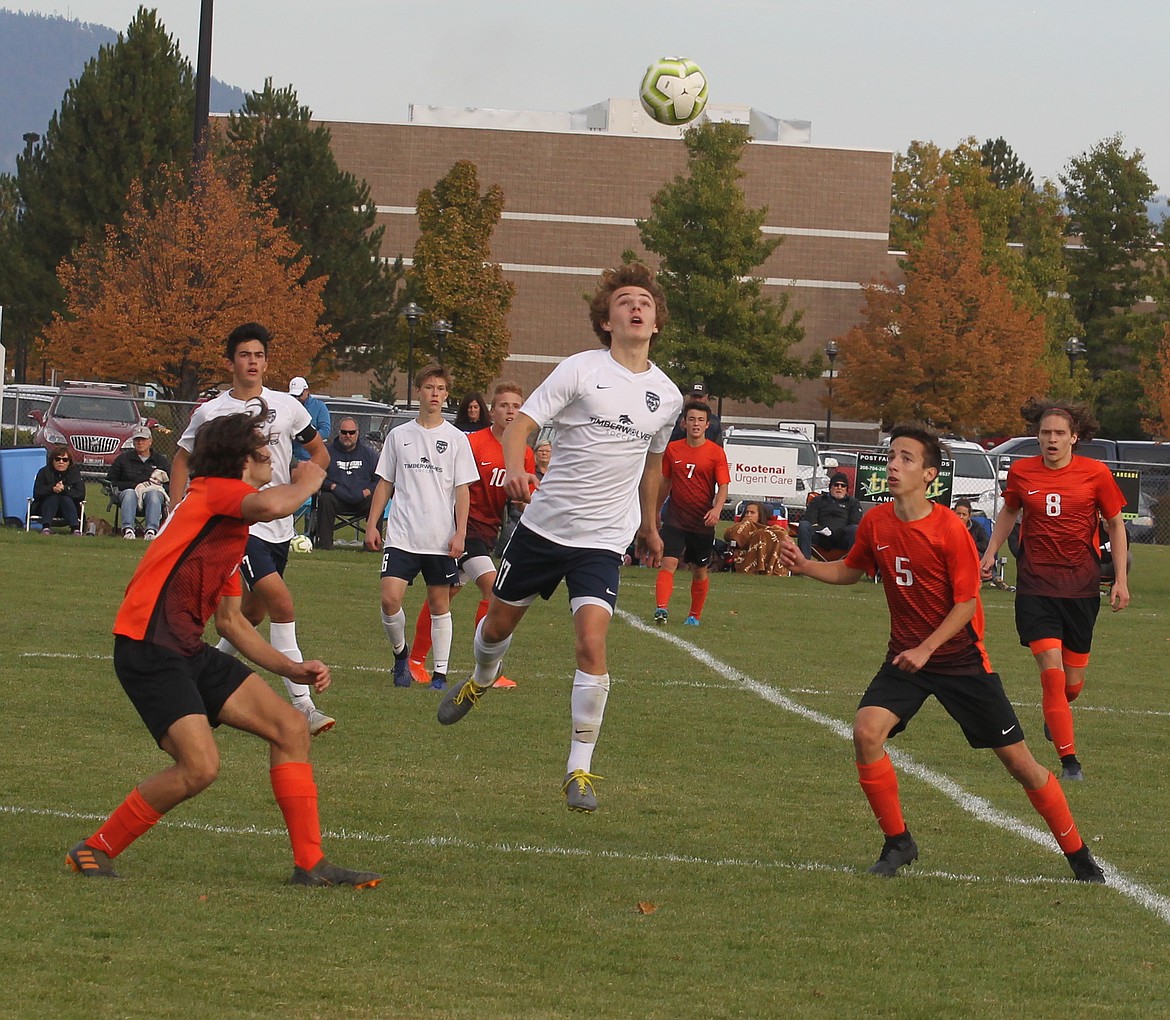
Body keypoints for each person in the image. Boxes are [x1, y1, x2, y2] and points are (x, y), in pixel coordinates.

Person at [65, 407, 380, 888]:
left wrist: (290, 668)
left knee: (291, 729)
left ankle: (311, 864)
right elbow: (276, 506)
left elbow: (231, 622)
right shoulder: (215, 493)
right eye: (262, 448)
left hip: (185, 648)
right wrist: (312, 477)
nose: (271, 455)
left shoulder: (227, 528)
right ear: (241, 458)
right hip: (148, 647)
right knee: (200, 767)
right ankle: (94, 848)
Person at [780, 424, 1104, 883]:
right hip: (907, 659)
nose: (894, 465)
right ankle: (899, 843)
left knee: (1022, 766)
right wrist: (807, 565)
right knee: (866, 732)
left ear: (930, 474)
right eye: (891, 456)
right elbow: (851, 571)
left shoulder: (949, 528)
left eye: (907, 458)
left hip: (960, 662)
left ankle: (1078, 854)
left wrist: (927, 647)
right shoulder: (876, 522)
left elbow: (966, 603)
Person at [436, 262, 684, 813]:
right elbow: (522, 425)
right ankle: (480, 678)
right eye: (624, 300)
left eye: (644, 300)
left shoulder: (666, 396)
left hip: (603, 539)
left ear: (656, 321)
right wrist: (516, 468)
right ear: (606, 318)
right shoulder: (579, 369)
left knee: (591, 643)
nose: (636, 307)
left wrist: (649, 524)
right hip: (544, 529)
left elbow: (653, 463)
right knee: (497, 623)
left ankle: (580, 771)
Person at [171, 323, 335, 737]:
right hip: (240, 523)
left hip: (279, 523)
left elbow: (319, 451)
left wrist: (308, 475)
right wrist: (175, 514)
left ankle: (205, 685)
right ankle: (304, 707)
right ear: (231, 362)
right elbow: (180, 459)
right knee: (281, 604)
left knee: (249, 613)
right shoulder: (212, 412)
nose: (253, 362)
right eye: (245, 355)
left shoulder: (287, 406)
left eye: (259, 355)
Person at [979, 400, 1129, 783]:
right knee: (1051, 675)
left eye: (1059, 433)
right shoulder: (1021, 471)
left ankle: (1057, 714)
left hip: (1080, 587)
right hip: (1035, 586)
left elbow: (1114, 523)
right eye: (1045, 432)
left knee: (1071, 687)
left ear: (1074, 438)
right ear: (1037, 436)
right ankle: (1070, 762)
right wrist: (991, 550)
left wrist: (1121, 582)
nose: (1051, 439)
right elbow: (1010, 512)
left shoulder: (1095, 474)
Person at [407, 382, 536, 689]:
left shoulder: (525, 453)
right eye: (504, 405)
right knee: (493, 590)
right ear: (492, 411)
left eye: (516, 406)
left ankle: (414, 660)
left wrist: (525, 496)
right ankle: (488, 669)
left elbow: (524, 493)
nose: (510, 411)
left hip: (488, 531)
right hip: (462, 528)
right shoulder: (473, 443)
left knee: (444, 595)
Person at [365, 364, 478, 692]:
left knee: (439, 603)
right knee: (389, 599)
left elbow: (462, 489)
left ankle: (440, 675)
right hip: (402, 534)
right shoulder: (399, 436)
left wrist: (460, 532)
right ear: (419, 391)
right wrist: (372, 524)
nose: (434, 394)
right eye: (429, 387)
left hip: (439, 537)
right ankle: (401, 656)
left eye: (440, 388)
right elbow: (385, 483)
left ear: (446, 394)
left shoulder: (456, 439)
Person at [654, 399, 730, 626]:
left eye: (700, 420)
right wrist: (656, 511)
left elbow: (723, 486)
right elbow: (665, 481)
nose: (695, 424)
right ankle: (661, 609)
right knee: (668, 562)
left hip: (702, 522)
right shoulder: (672, 449)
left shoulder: (716, 453)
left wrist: (716, 509)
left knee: (699, 570)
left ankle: (694, 616)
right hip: (675, 518)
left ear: (707, 425)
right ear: (683, 423)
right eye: (691, 419)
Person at [315, 417, 377, 550]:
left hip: (362, 498)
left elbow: (379, 480)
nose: (348, 436)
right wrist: (331, 486)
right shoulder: (327, 453)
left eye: (351, 432)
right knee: (325, 498)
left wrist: (368, 491)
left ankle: (372, 545)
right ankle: (324, 545)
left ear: (357, 433)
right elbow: (316, 475)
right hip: (336, 498)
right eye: (344, 432)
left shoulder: (369, 455)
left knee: (375, 500)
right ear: (339, 433)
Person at [107, 425, 171, 540]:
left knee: (153, 495)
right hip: (128, 495)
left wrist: (156, 487)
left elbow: (170, 483)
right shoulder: (123, 459)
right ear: (133, 442)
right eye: (137, 440)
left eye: (143, 439)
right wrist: (134, 486)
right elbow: (111, 481)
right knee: (129, 493)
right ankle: (128, 530)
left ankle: (151, 531)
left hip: (153, 494)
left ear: (150, 441)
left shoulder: (161, 460)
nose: (140, 442)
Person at [796, 471, 863, 559]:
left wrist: (839, 532)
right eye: (836, 485)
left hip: (842, 538)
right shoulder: (818, 500)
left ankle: (852, 565)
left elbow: (856, 522)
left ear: (846, 489)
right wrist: (823, 530)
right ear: (830, 487)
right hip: (820, 537)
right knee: (804, 525)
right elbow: (810, 520)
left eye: (843, 486)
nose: (839, 488)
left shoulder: (853, 503)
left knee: (856, 529)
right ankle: (803, 563)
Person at [32, 445, 85, 534]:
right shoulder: (44, 472)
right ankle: (46, 528)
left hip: (68, 508)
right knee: (53, 497)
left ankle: (75, 529)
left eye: (65, 460)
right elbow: (37, 492)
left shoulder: (75, 474)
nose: (61, 462)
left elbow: (80, 494)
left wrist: (65, 489)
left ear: (69, 462)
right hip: (45, 508)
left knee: (65, 498)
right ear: (52, 461)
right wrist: (52, 489)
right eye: (57, 459)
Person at [289, 376, 331, 462]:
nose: (296, 398)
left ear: (306, 391)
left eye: (299, 395)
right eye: (293, 396)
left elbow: (325, 431)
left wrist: (305, 435)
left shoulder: (319, 406)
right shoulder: (289, 406)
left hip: (310, 457)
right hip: (291, 457)